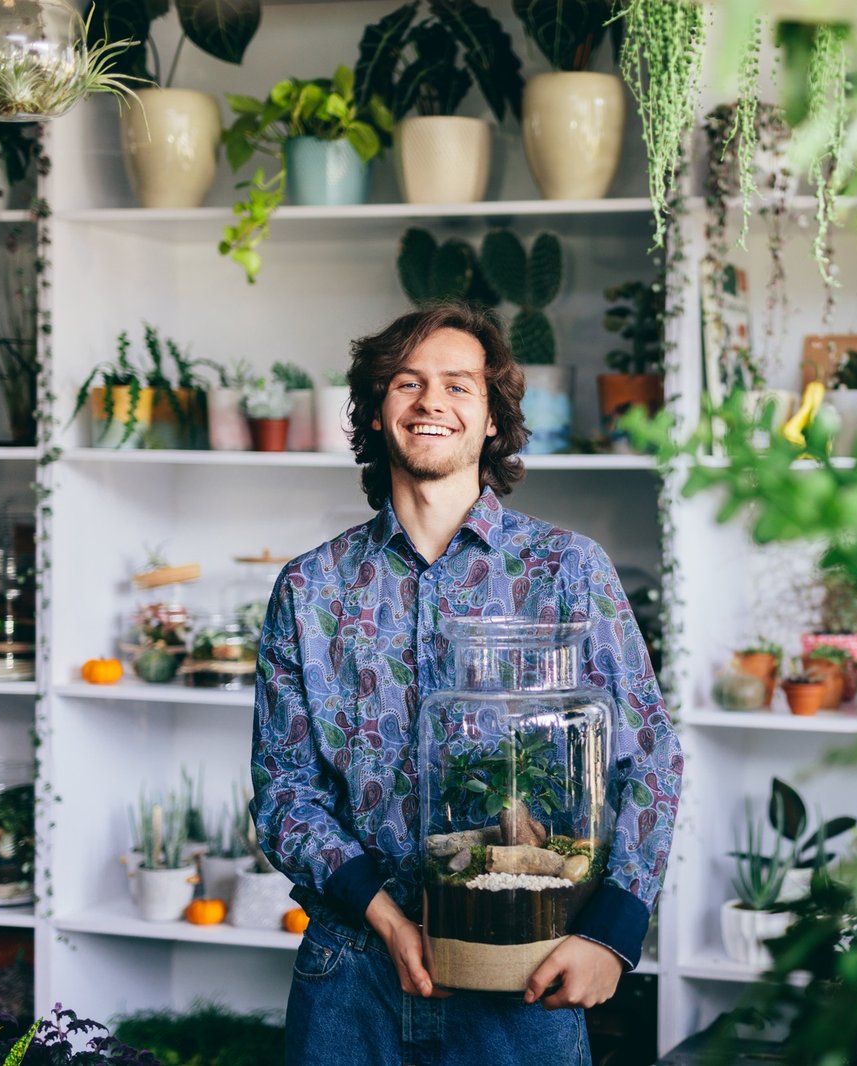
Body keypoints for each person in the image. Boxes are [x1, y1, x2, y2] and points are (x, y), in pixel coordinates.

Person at [251, 301, 683, 1065]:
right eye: (406, 384)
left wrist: (610, 936)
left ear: (492, 419)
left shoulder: (567, 570)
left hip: (523, 968)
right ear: (378, 412)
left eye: (459, 386)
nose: (431, 403)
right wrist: (386, 917)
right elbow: (285, 790)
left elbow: (649, 755)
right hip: (353, 974)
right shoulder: (310, 588)